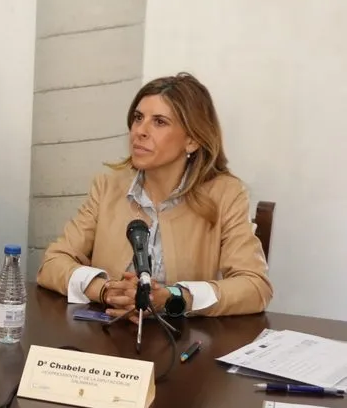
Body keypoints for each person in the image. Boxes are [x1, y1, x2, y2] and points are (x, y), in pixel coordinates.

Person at [36, 72, 272, 319]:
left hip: (183, 344)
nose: (140, 131)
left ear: (192, 140)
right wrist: (106, 290)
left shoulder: (225, 195)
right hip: (110, 338)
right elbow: (53, 263)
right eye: (138, 118)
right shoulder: (108, 187)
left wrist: (175, 297)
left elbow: (255, 286)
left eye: (159, 122)